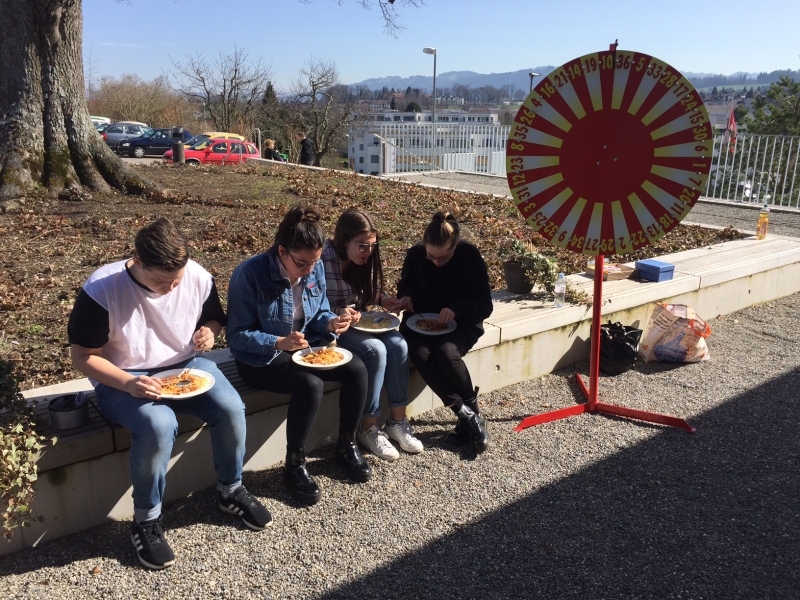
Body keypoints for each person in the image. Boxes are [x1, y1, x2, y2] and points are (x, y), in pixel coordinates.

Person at [67, 218, 271, 571]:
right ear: (138, 261)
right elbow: (82, 357)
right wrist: (127, 383)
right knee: (159, 425)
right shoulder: (103, 288)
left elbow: (213, 318)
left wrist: (209, 332)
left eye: (177, 278)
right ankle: (146, 520)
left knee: (230, 407)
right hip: (123, 375)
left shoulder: (196, 276)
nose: (172, 287)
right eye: (162, 282)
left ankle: (231, 490)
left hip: (185, 365)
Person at [226, 206, 371, 506]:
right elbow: (237, 335)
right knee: (310, 384)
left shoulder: (313, 267)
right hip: (260, 358)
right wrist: (279, 342)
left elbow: (318, 312)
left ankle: (346, 444)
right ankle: (294, 463)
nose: (309, 270)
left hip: (301, 348)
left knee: (357, 368)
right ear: (282, 251)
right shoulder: (249, 274)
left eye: (314, 263)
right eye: (302, 263)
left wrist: (331, 322)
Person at [322, 208, 423, 462]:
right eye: (363, 246)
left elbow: (371, 290)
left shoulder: (363, 259)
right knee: (374, 350)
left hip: (359, 321)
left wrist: (385, 299)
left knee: (398, 344)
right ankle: (368, 427)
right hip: (332, 327)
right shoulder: (322, 258)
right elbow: (314, 303)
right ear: (344, 240)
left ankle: (397, 422)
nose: (368, 252)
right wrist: (338, 312)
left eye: (372, 246)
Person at [396, 211, 492, 453]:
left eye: (444, 258)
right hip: (419, 322)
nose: (436, 262)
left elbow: (485, 305)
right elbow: (406, 286)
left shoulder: (469, 255)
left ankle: (470, 415)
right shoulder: (416, 254)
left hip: (462, 322)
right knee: (420, 353)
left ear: (455, 246)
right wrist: (406, 298)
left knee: (446, 352)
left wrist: (457, 309)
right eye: (431, 256)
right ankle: (467, 414)